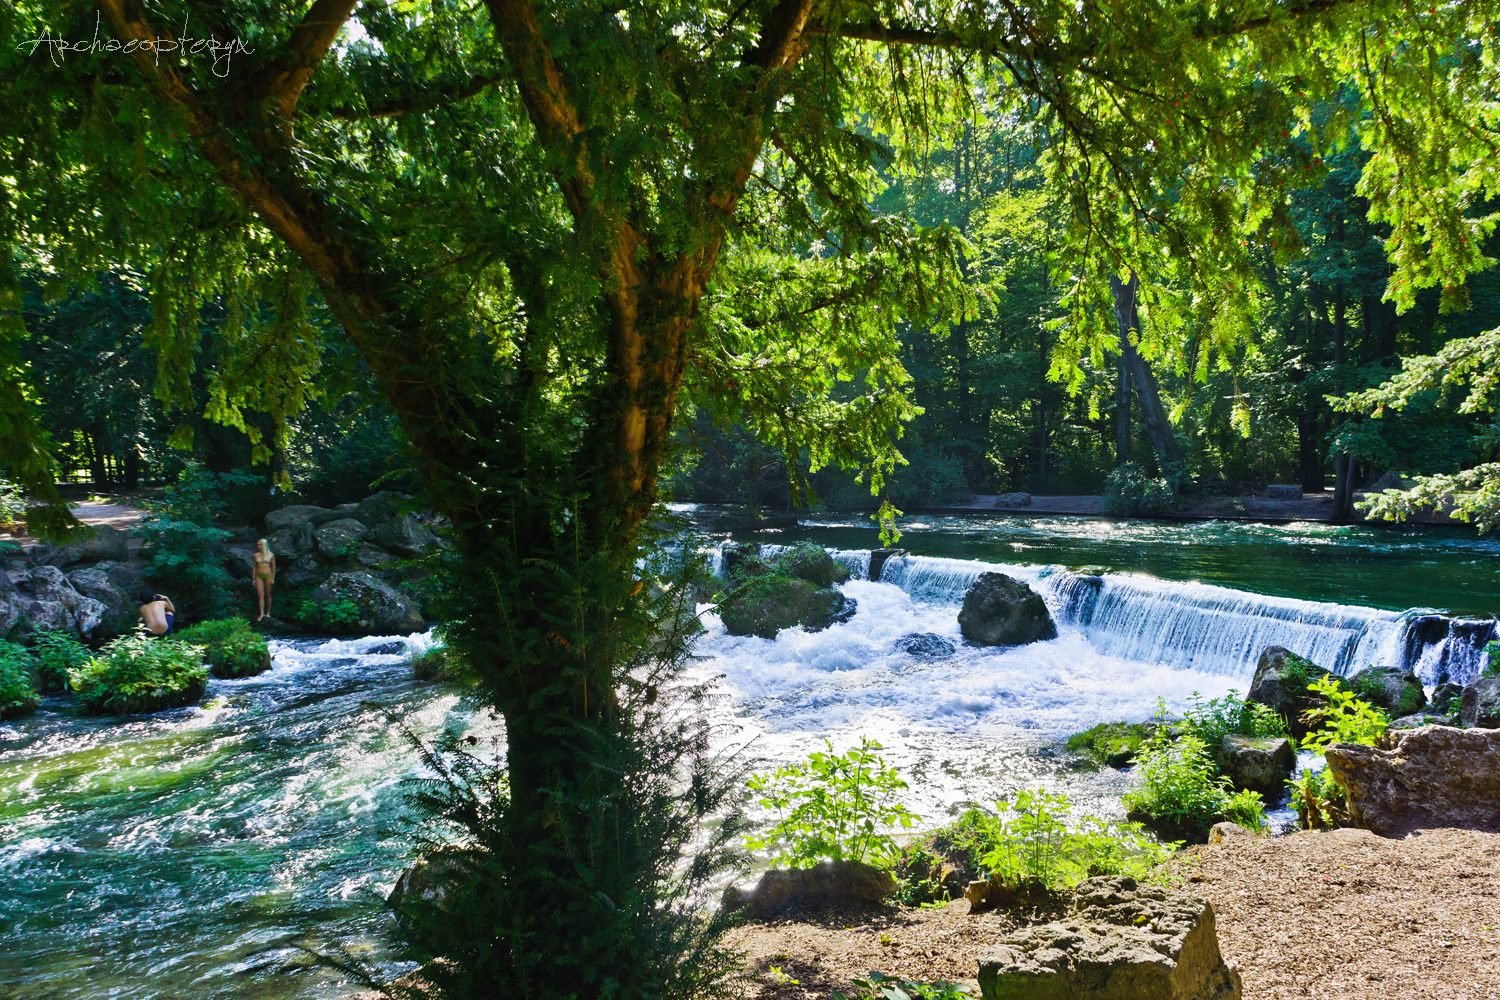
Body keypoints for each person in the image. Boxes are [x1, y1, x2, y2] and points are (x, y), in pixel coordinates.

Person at [252, 537, 276, 621]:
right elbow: (254, 567)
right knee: (260, 594)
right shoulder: (256, 555)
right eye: (258, 545)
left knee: (268, 594)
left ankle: (268, 612)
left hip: (268, 576)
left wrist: (273, 578)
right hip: (259, 576)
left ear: (264, 545)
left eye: (260, 545)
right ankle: (261, 613)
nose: (259, 546)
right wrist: (253, 578)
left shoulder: (271, 555)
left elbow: (273, 568)